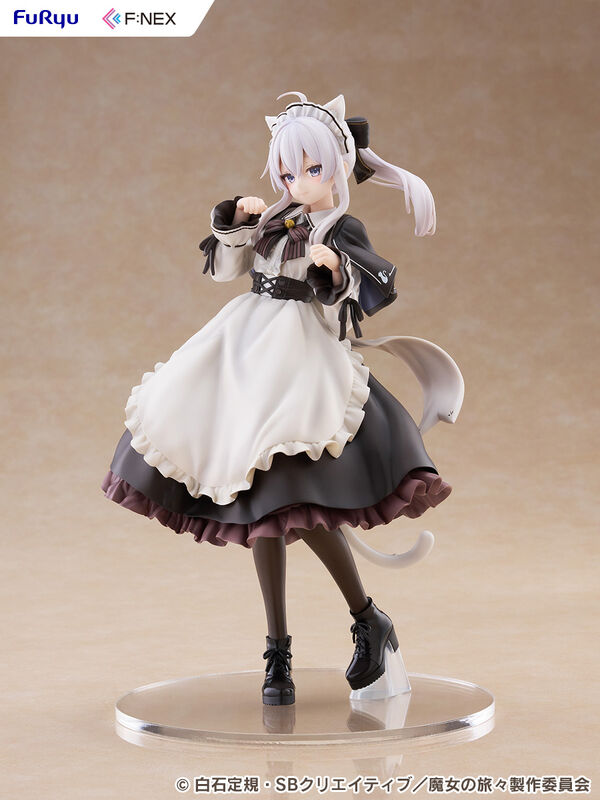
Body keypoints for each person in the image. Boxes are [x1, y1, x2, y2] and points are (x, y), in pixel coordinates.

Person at [101, 92, 462, 706]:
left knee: (290, 502)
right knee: (264, 510)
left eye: (311, 169)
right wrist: (236, 222)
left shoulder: (339, 227)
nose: (298, 182)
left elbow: (350, 296)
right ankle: (281, 651)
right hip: (241, 353)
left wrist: (331, 269)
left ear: (337, 167)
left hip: (301, 362)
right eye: (288, 172)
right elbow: (225, 270)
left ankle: (364, 619)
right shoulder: (273, 218)